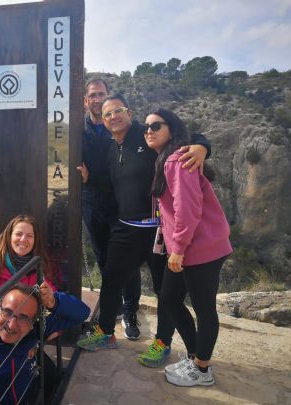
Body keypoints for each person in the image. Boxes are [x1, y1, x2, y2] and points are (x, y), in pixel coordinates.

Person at [77, 94, 210, 371]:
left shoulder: (148, 134)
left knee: (165, 292)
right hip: (125, 228)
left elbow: (184, 135)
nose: (113, 117)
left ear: (129, 112)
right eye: (107, 114)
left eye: (118, 111)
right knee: (111, 279)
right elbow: (112, 183)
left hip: (159, 230)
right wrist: (89, 178)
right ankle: (105, 333)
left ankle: (162, 343)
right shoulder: (111, 148)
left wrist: (201, 147)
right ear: (103, 120)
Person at [143, 108, 232, 386]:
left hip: (201, 247)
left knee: (204, 309)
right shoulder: (167, 159)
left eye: (156, 126)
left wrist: (178, 248)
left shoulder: (176, 160)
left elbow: (188, 208)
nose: (149, 131)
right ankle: (195, 356)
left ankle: (202, 370)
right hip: (187, 247)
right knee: (169, 298)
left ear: (171, 129)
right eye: (146, 127)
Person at [77, 77, 142, 340]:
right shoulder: (76, 130)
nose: (97, 99)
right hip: (92, 206)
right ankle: (111, 314)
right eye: (92, 95)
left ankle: (130, 313)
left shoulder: (119, 126)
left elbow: (165, 133)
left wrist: (200, 146)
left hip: (124, 205)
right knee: (105, 261)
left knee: (129, 264)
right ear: (85, 100)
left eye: (101, 94)